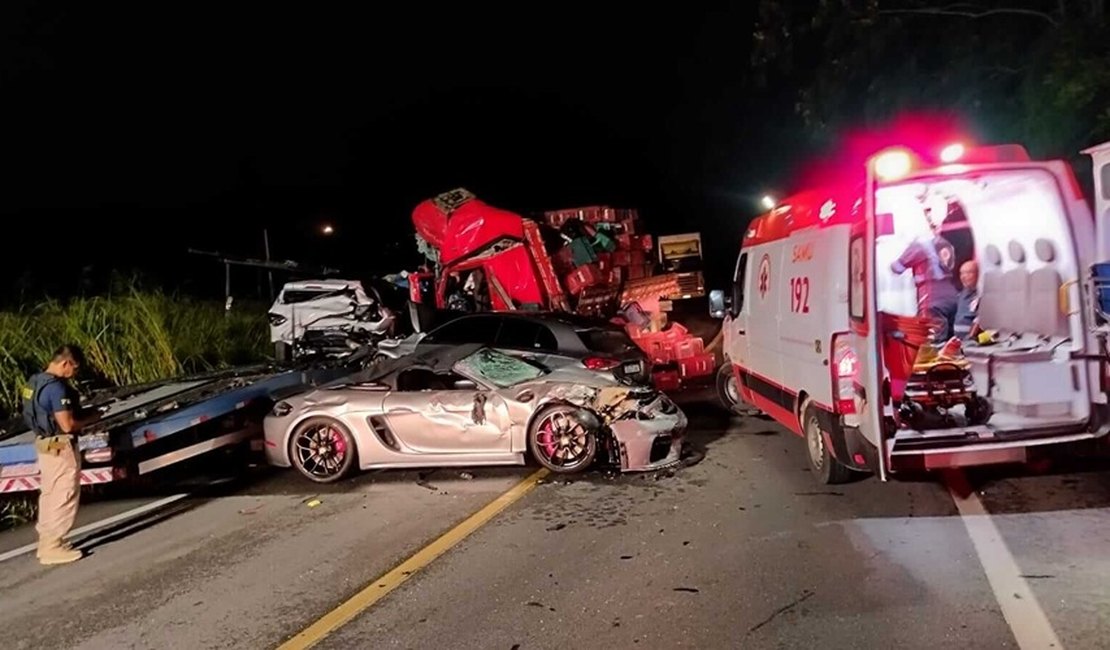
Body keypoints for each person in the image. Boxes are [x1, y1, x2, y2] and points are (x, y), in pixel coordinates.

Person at [21, 345, 98, 565]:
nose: (74, 373)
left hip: (45, 445)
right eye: (74, 368)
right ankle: (53, 546)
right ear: (66, 363)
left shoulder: (35, 382)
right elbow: (66, 424)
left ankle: (47, 542)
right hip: (61, 447)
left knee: (49, 494)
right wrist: (91, 418)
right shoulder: (57, 389)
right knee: (64, 495)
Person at [890, 196, 959, 340]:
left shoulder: (918, 245)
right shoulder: (946, 243)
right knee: (951, 342)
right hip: (952, 295)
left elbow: (897, 268)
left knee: (932, 343)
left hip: (932, 297)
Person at [954, 260, 980, 339]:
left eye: (969, 273)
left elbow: (980, 320)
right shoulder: (961, 295)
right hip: (958, 342)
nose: (964, 276)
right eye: (961, 273)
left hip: (972, 344)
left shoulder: (982, 295)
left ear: (978, 274)